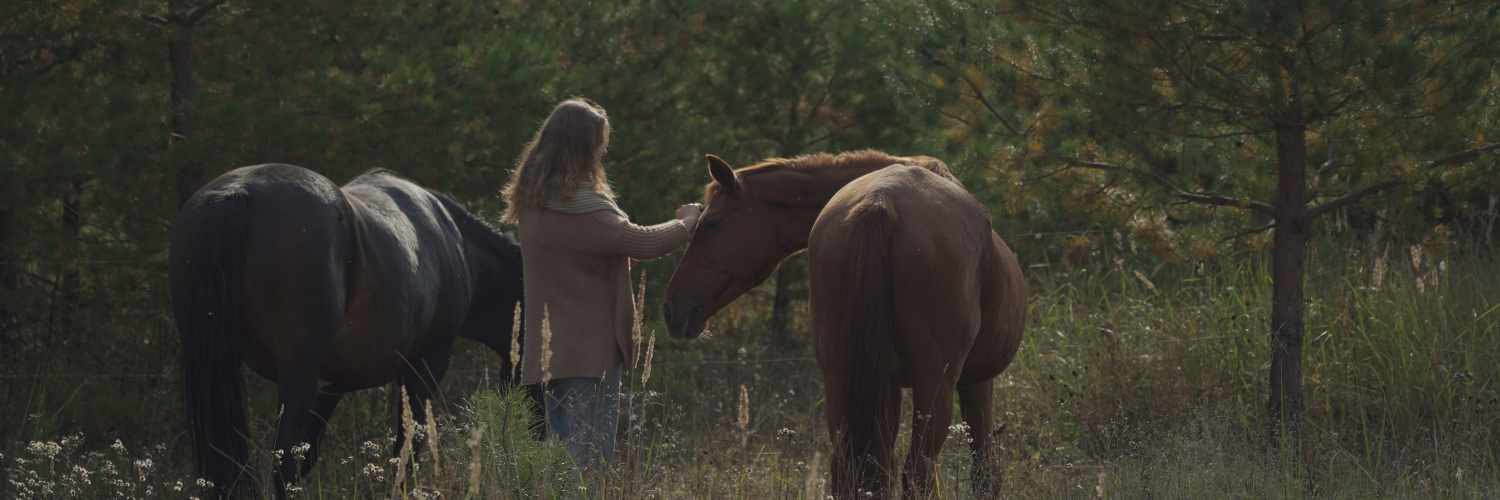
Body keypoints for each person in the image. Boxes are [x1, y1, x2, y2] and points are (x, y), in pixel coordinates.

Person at [501, 98, 700, 471]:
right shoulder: (579, 206)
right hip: (587, 355)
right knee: (587, 463)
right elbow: (642, 241)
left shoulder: (535, 202)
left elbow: (599, 248)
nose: (603, 150)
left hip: (550, 353)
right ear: (583, 147)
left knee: (560, 462)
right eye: (599, 142)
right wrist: (687, 222)